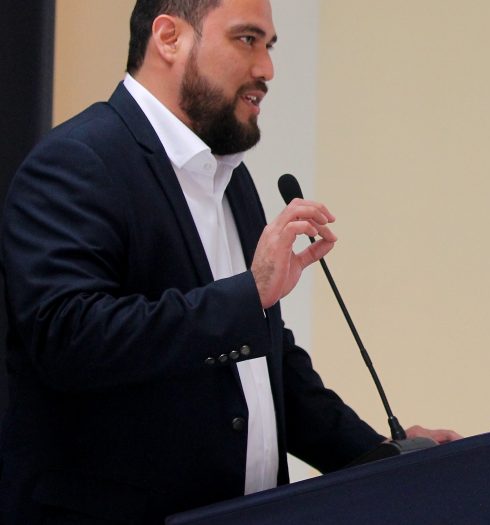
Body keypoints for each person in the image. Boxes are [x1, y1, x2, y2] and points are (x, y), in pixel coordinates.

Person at [0, 0, 458, 522]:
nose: (267, 69)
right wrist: (248, 296)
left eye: (269, 46)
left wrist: (381, 457)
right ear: (169, 38)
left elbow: (262, 363)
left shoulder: (228, 177)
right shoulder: (78, 160)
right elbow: (68, 339)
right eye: (247, 40)